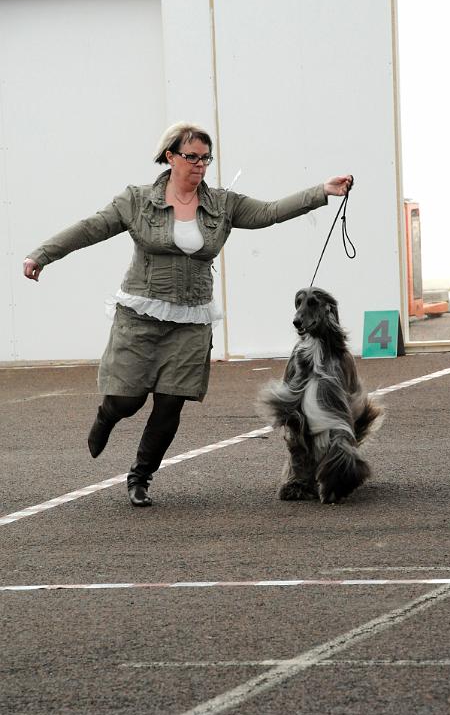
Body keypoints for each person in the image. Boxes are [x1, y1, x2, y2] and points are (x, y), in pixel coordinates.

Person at [23, 121, 353, 507]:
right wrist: (41, 255)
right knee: (127, 400)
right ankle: (107, 415)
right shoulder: (137, 200)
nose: (199, 165)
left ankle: (140, 477)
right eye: (191, 157)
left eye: (205, 158)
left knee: (169, 404)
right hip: (141, 315)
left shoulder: (222, 204)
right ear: (170, 156)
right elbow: (90, 228)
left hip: (190, 320)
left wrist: (322, 191)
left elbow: (270, 212)